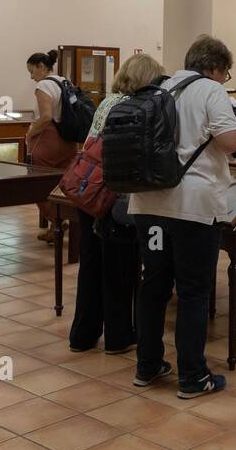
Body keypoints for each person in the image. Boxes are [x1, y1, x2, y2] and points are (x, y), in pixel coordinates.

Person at [128, 35, 236, 398]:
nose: (224, 79)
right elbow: (230, 143)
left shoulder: (157, 86)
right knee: (194, 291)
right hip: (192, 208)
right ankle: (193, 376)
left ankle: (147, 366)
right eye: (225, 72)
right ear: (213, 67)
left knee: (154, 286)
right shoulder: (211, 91)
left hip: (148, 205)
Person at [68, 52, 165, 354]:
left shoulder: (106, 103)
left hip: (89, 192)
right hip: (114, 198)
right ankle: (119, 336)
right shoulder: (135, 108)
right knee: (119, 271)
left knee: (90, 267)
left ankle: (82, 336)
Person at [25, 49, 78, 243]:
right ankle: (70, 222)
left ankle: (55, 222)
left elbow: (46, 117)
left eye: (32, 71)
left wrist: (30, 132)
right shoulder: (65, 81)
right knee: (65, 186)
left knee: (37, 185)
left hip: (49, 141)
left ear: (41, 67)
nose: (31, 77)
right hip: (69, 140)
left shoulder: (44, 86)